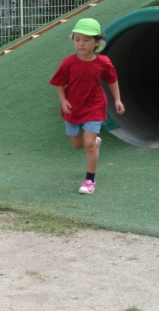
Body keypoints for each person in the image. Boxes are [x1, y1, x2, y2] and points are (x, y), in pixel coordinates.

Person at [49, 18, 125, 195]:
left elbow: (112, 80)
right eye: (77, 39)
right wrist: (63, 100)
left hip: (94, 106)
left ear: (97, 42)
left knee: (88, 144)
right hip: (73, 108)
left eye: (86, 39)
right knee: (78, 144)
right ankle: (94, 143)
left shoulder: (103, 62)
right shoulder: (68, 63)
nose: (81, 43)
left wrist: (117, 100)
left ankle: (90, 179)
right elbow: (59, 83)